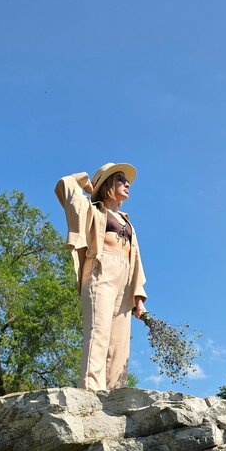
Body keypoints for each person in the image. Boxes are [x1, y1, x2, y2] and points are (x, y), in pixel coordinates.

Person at [55, 162, 147, 391]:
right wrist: (87, 183)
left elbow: (136, 259)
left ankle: (115, 394)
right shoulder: (92, 209)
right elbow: (65, 185)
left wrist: (138, 298)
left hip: (125, 282)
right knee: (99, 332)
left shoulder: (128, 221)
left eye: (127, 180)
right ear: (106, 184)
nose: (127, 184)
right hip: (100, 273)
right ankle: (91, 389)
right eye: (120, 179)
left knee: (119, 344)